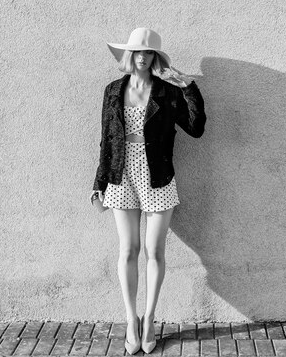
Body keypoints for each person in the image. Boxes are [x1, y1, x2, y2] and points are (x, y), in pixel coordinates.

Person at [91, 28, 206, 354]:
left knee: (154, 252)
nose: (142, 57)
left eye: (148, 52)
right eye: (137, 51)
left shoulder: (168, 93)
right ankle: (132, 320)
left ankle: (151, 317)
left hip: (157, 178)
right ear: (129, 55)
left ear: (155, 57)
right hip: (121, 175)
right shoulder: (113, 90)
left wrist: (188, 87)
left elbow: (196, 129)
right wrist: (99, 184)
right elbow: (107, 141)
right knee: (128, 250)